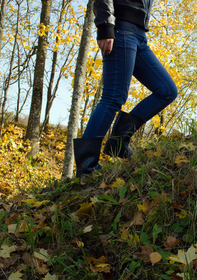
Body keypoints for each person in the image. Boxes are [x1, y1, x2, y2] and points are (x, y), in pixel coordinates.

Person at [73, 0, 178, 178]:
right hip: (120, 28)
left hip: (139, 35)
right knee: (113, 96)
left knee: (167, 90)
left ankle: (119, 140)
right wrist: (105, 26)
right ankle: (86, 168)